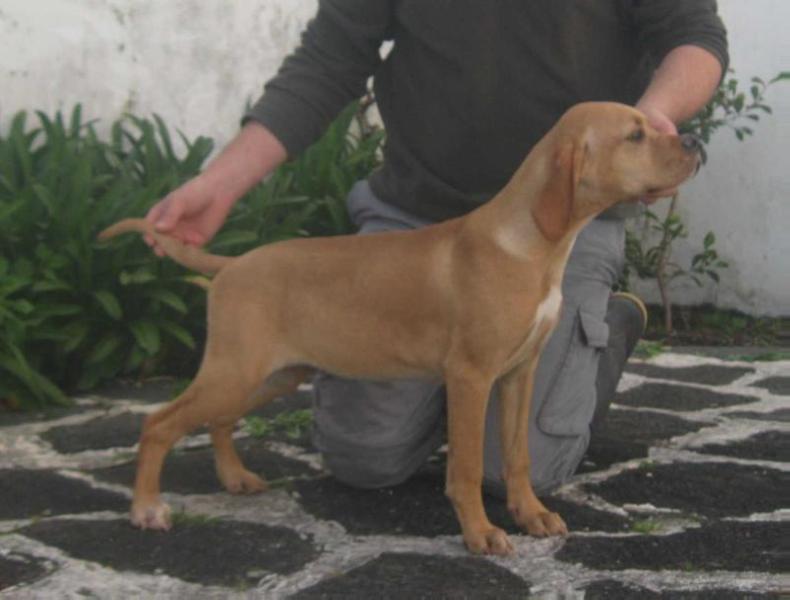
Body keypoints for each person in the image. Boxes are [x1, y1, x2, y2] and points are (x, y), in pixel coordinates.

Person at [145, 1, 728, 497]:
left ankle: (597, 330)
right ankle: (459, 377)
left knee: (524, 473)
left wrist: (651, 123)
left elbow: (693, 36)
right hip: (416, 219)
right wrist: (217, 184)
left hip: (562, 220)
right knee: (364, 459)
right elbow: (331, 58)